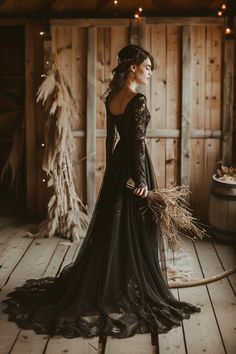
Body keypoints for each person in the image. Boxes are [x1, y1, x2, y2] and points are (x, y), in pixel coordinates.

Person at [3, 44, 200, 340]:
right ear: (132, 67)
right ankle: (130, 279)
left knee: (115, 224)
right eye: (147, 67)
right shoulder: (138, 100)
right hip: (134, 166)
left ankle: (120, 275)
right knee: (138, 222)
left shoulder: (111, 98)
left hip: (118, 167)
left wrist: (112, 172)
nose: (150, 72)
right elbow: (137, 142)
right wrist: (141, 180)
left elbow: (112, 140)